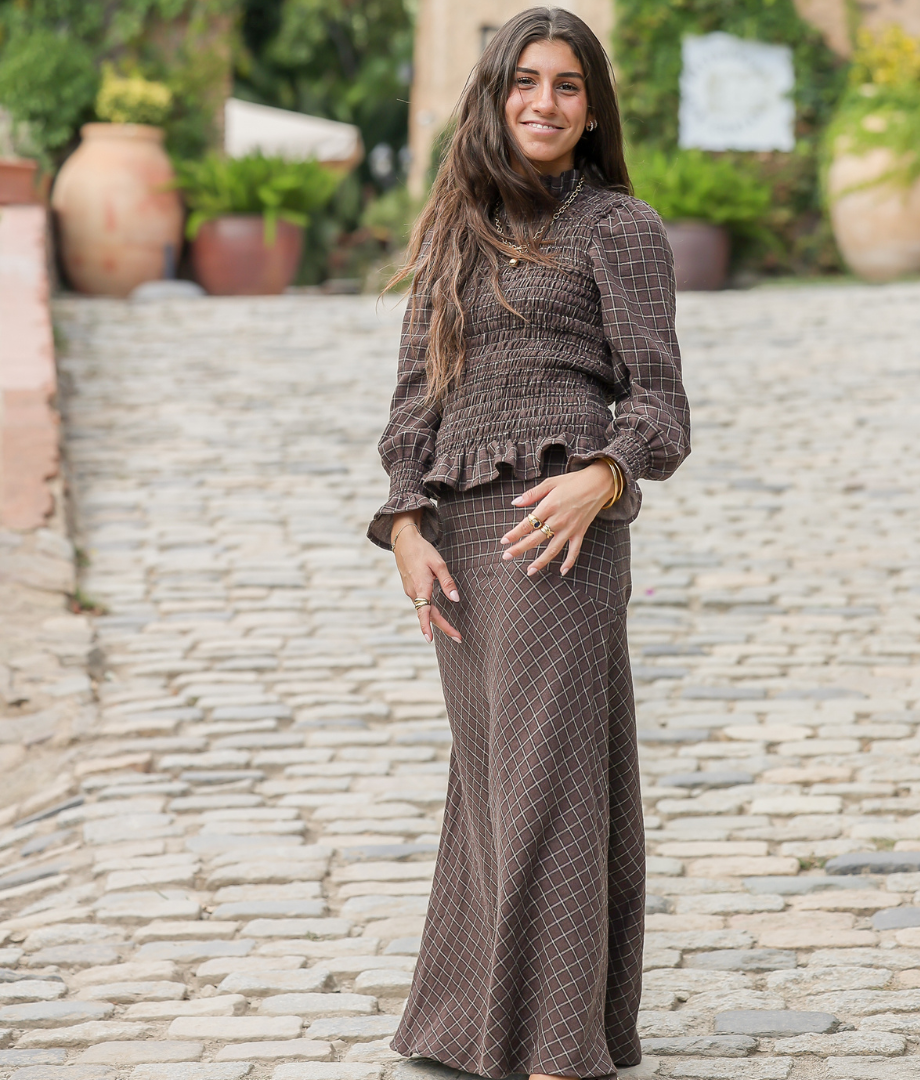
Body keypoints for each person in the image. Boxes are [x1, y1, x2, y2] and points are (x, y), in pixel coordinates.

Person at [367, 8, 691, 1079]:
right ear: (496, 96)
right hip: (460, 536)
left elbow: (661, 406)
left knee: (549, 778)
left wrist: (602, 478)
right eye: (525, 82)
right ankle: (477, 1026)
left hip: (562, 534)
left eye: (566, 85)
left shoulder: (619, 228)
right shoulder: (455, 228)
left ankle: (556, 1047)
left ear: (592, 110)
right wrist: (404, 522)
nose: (543, 102)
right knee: (492, 776)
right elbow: (415, 398)